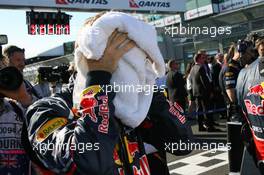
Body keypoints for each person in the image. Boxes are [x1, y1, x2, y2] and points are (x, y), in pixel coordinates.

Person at [24, 13, 192, 175]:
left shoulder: (135, 106)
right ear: (85, 56)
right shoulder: (46, 110)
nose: (130, 64)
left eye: (135, 56)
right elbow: (91, 162)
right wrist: (98, 79)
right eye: (113, 54)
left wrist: (145, 85)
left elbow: (182, 144)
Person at [220, 39, 256, 173]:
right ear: (241, 52)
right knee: (239, 153)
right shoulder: (230, 68)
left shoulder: (240, 66)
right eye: (249, 52)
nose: (251, 55)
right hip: (236, 116)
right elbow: (232, 96)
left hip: (242, 114)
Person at [237, 39, 264, 174]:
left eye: (243, 52)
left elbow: (242, 109)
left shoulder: (242, 74)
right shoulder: (242, 73)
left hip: (259, 146)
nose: (241, 56)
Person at [189, 53, 217, 132]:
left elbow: (191, 80)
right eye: (202, 58)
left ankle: (200, 126)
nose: (204, 59)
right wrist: (210, 92)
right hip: (203, 93)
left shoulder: (193, 68)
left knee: (199, 110)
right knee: (207, 110)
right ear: (198, 59)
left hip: (196, 92)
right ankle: (210, 127)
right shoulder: (201, 68)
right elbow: (204, 81)